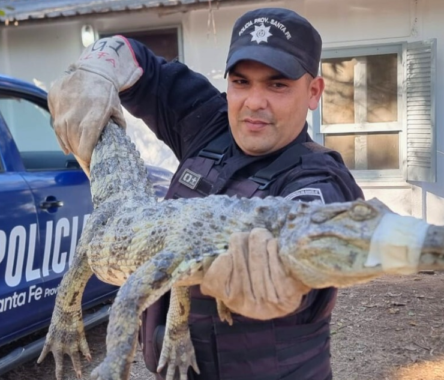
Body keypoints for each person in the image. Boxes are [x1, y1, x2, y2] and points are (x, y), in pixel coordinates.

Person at [48, 7, 365, 380]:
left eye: (277, 84)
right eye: (241, 82)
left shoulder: (317, 180)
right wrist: (97, 67)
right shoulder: (212, 123)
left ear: (313, 92)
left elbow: (297, 266)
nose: (254, 103)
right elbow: (142, 66)